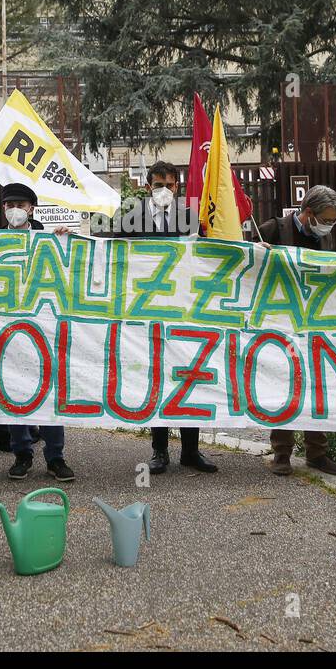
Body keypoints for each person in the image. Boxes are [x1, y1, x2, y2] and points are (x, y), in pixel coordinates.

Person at [118, 161, 216, 475]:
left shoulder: (190, 218)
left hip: (185, 309)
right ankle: (159, 452)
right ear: (148, 186)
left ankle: (190, 451)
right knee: (158, 380)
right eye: (158, 184)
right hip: (149, 311)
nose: (164, 190)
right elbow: (112, 253)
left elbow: (210, 254)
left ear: (178, 187)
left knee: (189, 378)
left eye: (169, 185)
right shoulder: (131, 218)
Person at [259, 185, 336, 476]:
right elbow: (247, 267)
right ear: (308, 213)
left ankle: (316, 452)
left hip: (314, 324)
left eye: (333, 221)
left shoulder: (326, 239)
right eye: (326, 219)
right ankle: (281, 453)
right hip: (280, 323)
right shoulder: (272, 230)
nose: (329, 226)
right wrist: (256, 252)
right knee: (282, 385)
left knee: (316, 386)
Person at [0, 181, 75, 482]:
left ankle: (55, 456)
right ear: (3, 209)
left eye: (21, 204)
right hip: (7, 330)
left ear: (32, 208)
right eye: (9, 205)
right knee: (14, 390)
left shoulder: (47, 240)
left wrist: (67, 242)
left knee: (50, 391)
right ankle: (22, 454)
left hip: (44, 329)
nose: (15, 210)